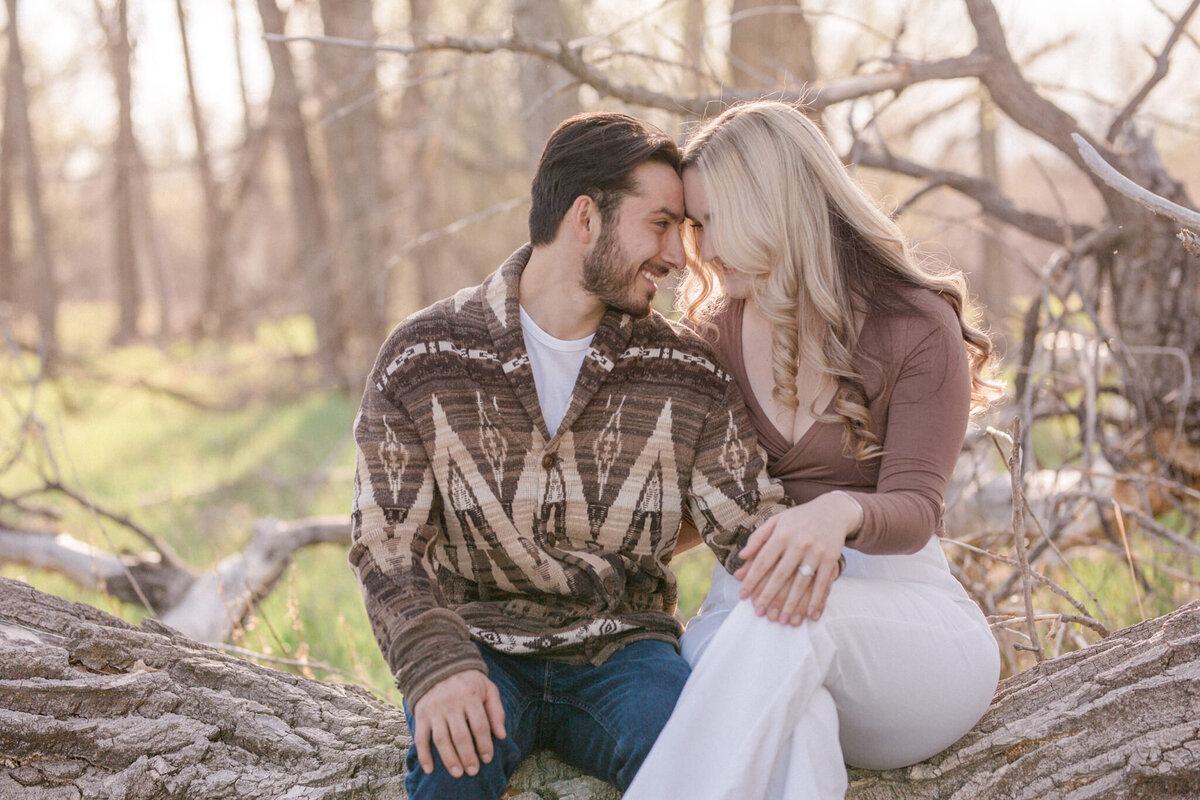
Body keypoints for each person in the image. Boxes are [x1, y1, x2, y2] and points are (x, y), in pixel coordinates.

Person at [348, 111, 809, 800]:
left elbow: (751, 532)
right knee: (450, 768)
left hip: (627, 654)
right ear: (586, 218)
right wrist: (436, 666)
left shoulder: (685, 372)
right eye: (660, 224)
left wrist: (845, 558)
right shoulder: (424, 358)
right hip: (479, 643)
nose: (680, 256)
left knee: (694, 752)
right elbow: (387, 541)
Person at [623, 101, 1001, 800]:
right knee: (791, 723)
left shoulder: (912, 323)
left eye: (709, 221)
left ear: (773, 206)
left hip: (902, 642)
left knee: (789, 623)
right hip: (741, 626)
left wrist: (835, 515)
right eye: (688, 225)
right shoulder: (709, 338)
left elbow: (916, 508)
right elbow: (683, 516)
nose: (696, 249)